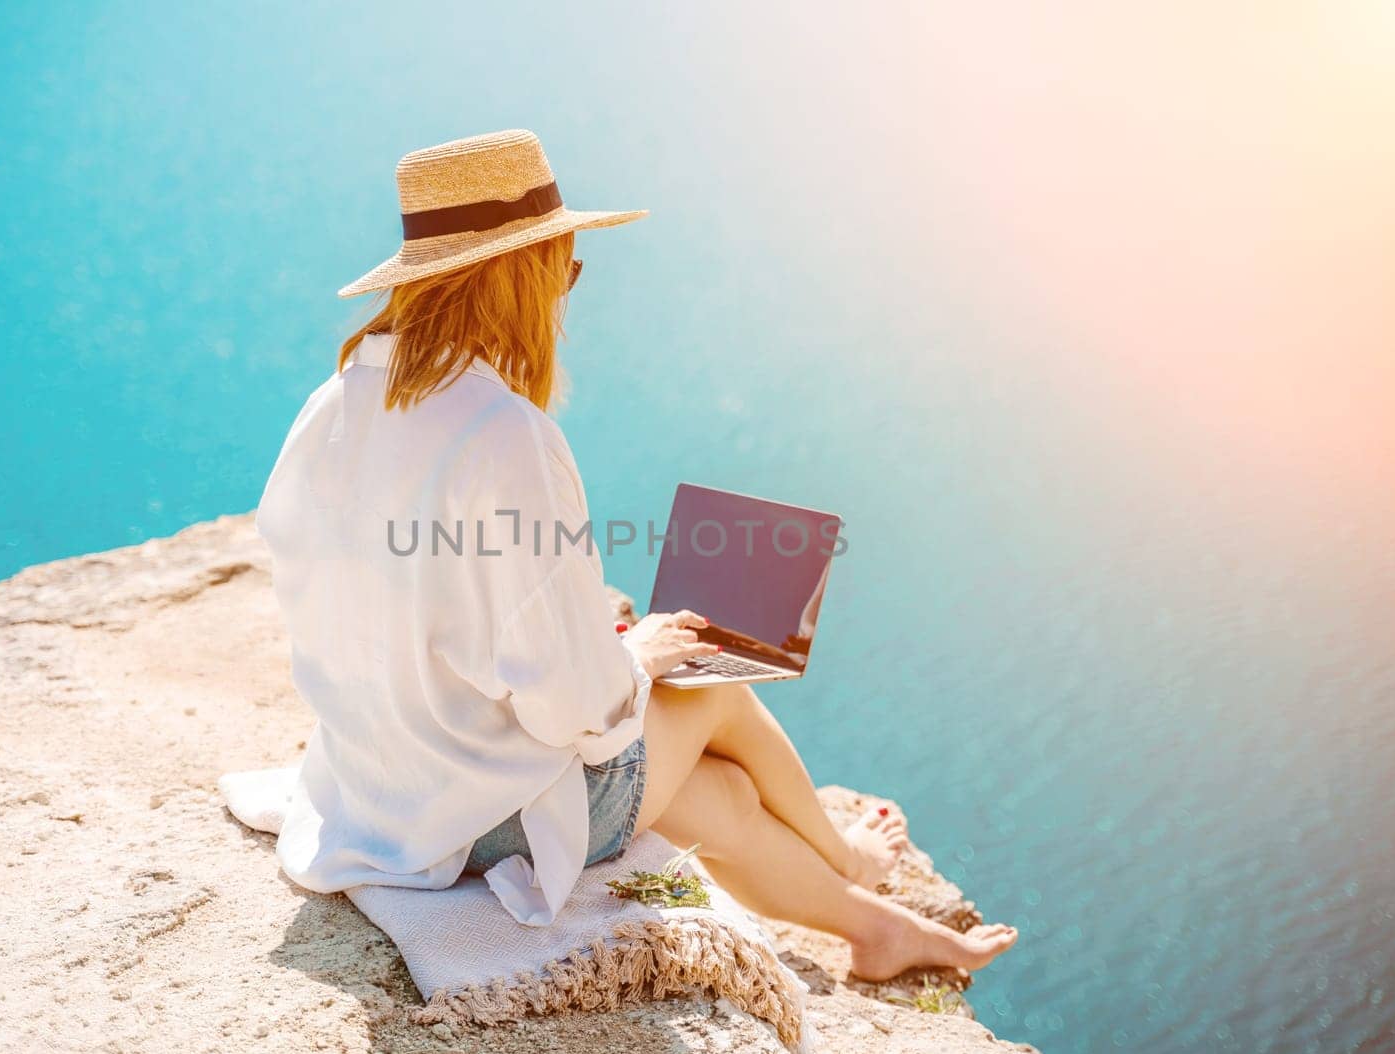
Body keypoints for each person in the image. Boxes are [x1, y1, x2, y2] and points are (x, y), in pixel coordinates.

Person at [254, 129, 1016, 980]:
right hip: (477, 817)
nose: (565, 297)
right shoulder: (504, 434)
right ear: (528, 274)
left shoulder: (332, 405)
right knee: (717, 696)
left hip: (381, 787)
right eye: (566, 270)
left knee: (715, 798)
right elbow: (576, 707)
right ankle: (848, 856)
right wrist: (634, 658)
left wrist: (595, 650)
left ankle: (873, 930)